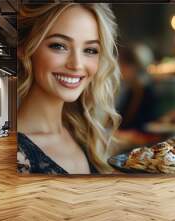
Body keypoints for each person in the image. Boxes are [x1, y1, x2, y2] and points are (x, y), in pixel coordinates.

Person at [17, 3, 121, 174]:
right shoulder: (16, 155)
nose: (77, 65)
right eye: (59, 46)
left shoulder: (81, 132)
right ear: (24, 48)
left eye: (90, 50)